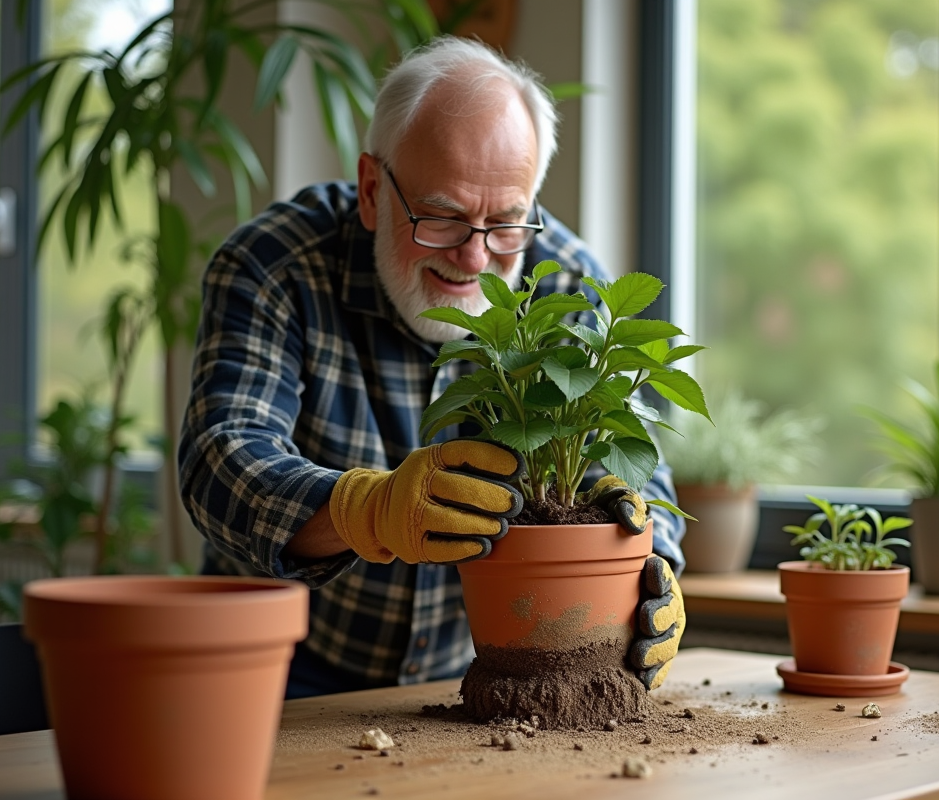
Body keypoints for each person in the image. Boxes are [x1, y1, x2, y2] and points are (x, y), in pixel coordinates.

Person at [177, 36, 686, 699]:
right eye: (442, 219)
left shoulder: (570, 284)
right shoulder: (277, 264)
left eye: (506, 223)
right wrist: (363, 509)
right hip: (273, 662)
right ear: (370, 190)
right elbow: (221, 458)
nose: (474, 257)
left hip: (473, 682)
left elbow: (638, 477)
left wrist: (655, 565)